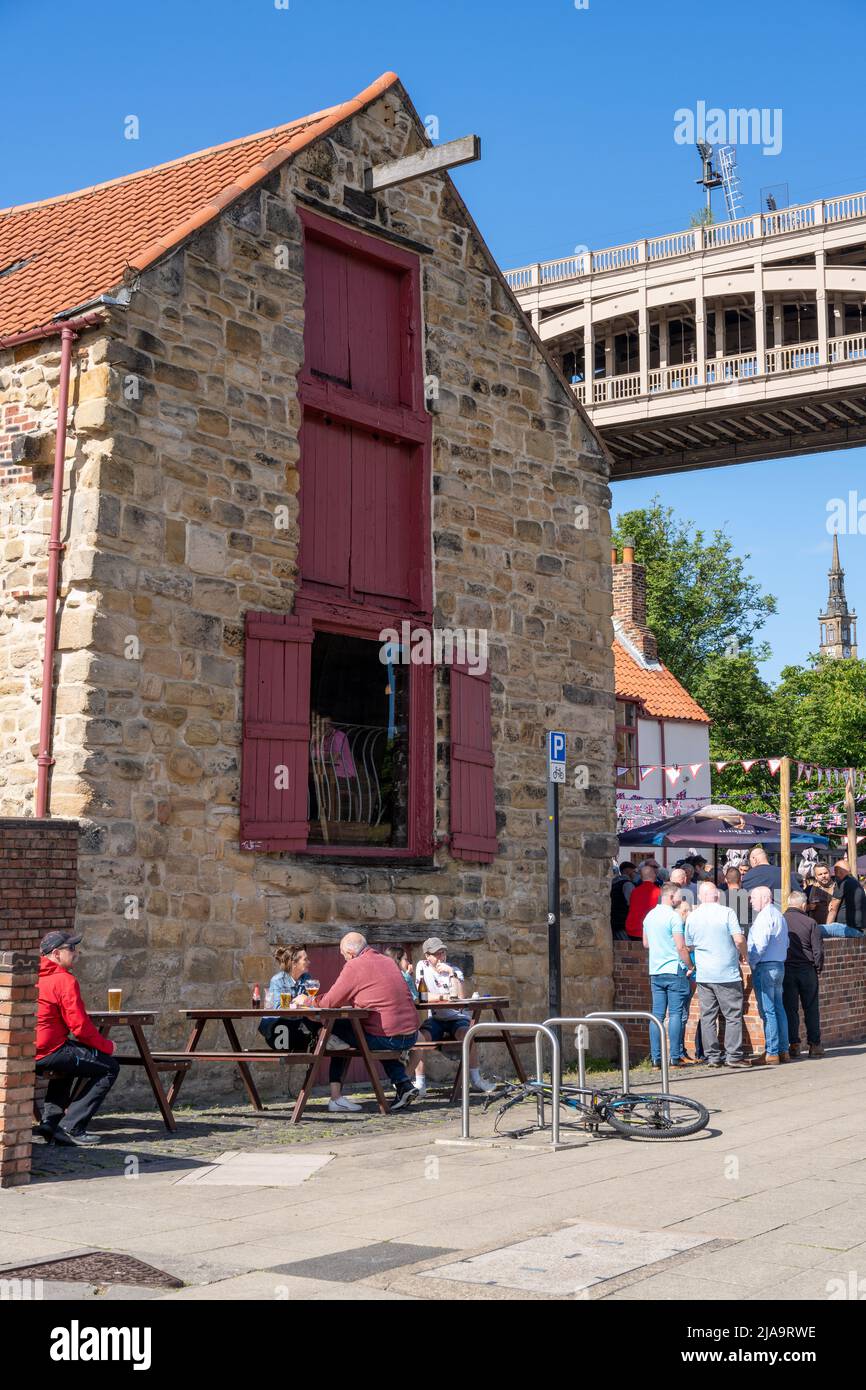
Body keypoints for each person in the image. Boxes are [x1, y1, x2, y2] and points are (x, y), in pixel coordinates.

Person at [312, 932, 419, 1112]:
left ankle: (335, 1097)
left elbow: (328, 1003)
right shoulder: (387, 961)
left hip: (388, 1037)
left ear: (351, 953)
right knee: (365, 1035)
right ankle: (403, 1085)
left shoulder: (355, 965)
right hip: (411, 1035)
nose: (344, 959)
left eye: (343, 955)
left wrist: (306, 1001)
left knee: (335, 1027)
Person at [33, 931, 120, 1146]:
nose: (76, 953)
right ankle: (71, 1127)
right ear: (56, 953)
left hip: (29, 1051)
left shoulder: (33, 976)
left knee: (72, 1059)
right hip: (49, 1051)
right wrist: (107, 1046)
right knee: (109, 1067)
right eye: (70, 949)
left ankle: (50, 1123)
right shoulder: (64, 980)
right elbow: (80, 1027)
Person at [412, 938, 495, 1095]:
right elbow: (422, 996)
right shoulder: (422, 967)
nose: (441, 957)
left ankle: (476, 1080)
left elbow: (460, 998)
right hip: (437, 1019)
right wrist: (443, 998)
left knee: (468, 1035)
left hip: (458, 1017)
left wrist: (451, 974)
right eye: (437, 954)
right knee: (419, 1038)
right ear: (427, 956)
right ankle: (420, 1083)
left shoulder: (454, 970)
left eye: (443, 953)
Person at [684, 883, 751, 1069]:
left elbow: (688, 945)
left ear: (699, 897)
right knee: (732, 1016)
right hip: (726, 973)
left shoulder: (692, 916)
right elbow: (738, 939)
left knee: (707, 1016)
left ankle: (712, 1056)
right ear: (718, 896)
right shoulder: (727, 912)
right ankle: (733, 1056)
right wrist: (744, 955)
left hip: (704, 973)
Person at [641, 885, 695, 1068]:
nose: (680, 900)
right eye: (678, 897)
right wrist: (690, 965)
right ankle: (674, 1057)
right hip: (674, 969)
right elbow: (681, 947)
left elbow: (646, 943)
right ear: (671, 896)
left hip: (655, 970)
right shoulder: (673, 917)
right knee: (675, 1014)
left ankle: (656, 1058)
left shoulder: (649, 916)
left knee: (656, 1015)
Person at [748, 886, 790, 1064]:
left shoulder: (764, 917)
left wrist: (752, 960)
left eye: (753, 898)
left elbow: (760, 944)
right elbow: (786, 942)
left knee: (769, 1010)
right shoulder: (778, 914)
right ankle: (783, 1050)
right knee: (779, 1008)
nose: (750, 901)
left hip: (766, 966)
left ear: (764, 898)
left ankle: (772, 1052)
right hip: (779, 965)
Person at [783, 890, 825, 1059]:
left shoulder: (781, 920)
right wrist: (818, 969)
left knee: (790, 1009)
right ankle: (814, 1045)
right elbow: (818, 951)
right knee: (811, 1008)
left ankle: (793, 1044)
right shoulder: (810, 922)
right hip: (807, 969)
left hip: (786, 969)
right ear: (802, 905)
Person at [258, 945, 320, 1054]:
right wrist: (298, 1003)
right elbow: (278, 1009)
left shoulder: (307, 978)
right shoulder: (278, 980)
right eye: (305, 959)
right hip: (277, 1027)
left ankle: (327, 1039)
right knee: (311, 1031)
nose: (309, 962)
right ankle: (325, 1040)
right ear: (294, 963)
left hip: (297, 1025)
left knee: (323, 1025)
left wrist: (307, 1002)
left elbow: (311, 1006)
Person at [825, 860, 866, 936]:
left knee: (815, 930)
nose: (834, 873)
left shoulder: (843, 883)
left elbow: (833, 909)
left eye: (835, 870)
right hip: (859, 928)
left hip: (846, 927)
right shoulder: (855, 882)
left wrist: (828, 929)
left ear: (839, 871)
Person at [625, 863, 661, 939]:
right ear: (654, 875)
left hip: (632, 929)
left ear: (641, 877)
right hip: (650, 930)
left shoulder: (634, 891)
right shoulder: (659, 892)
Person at [610, 862, 637, 940]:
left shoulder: (614, 883)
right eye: (633, 871)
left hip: (614, 922)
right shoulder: (628, 884)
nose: (635, 874)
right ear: (628, 871)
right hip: (623, 923)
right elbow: (632, 903)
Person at [805, 863, 834, 927]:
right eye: (820, 874)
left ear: (830, 873)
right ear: (816, 877)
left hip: (833, 928)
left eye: (825, 873)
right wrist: (808, 907)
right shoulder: (809, 889)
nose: (823, 876)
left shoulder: (838, 888)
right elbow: (800, 908)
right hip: (815, 927)